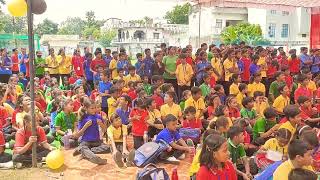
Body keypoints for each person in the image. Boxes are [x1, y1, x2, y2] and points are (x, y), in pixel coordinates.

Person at [73, 99, 109, 165]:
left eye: (95, 107)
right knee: (83, 146)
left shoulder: (98, 116)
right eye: (92, 108)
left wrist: (101, 124)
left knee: (109, 148)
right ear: (86, 108)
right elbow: (77, 135)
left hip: (97, 141)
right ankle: (96, 158)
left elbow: (105, 130)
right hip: (86, 141)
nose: (94, 110)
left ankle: (85, 152)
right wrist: (85, 126)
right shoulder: (83, 118)